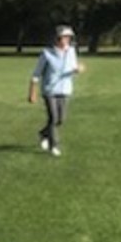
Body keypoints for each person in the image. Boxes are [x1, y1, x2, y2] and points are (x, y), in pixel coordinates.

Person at [28, 24, 86, 157]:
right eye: (64, 37)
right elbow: (36, 74)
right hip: (49, 90)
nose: (67, 39)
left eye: (69, 37)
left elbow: (74, 66)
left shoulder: (71, 51)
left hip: (65, 89)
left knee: (60, 119)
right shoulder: (47, 53)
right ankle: (54, 145)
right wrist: (32, 92)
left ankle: (43, 133)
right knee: (53, 118)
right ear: (57, 38)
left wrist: (79, 69)